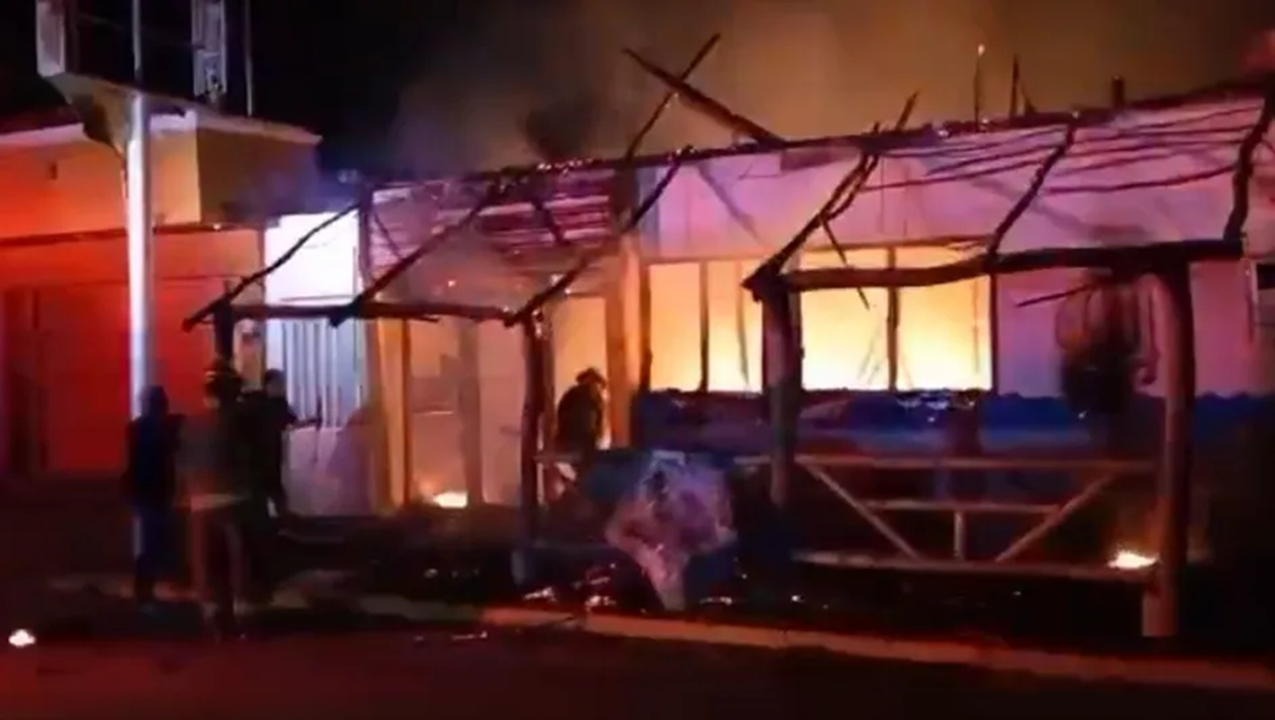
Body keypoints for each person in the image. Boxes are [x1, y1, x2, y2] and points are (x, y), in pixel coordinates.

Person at [179, 365, 256, 638]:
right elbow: (251, 458)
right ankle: (242, 613)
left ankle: (212, 614)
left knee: (205, 562)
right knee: (238, 558)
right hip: (234, 498)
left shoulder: (191, 424)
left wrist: (185, 496)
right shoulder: (239, 421)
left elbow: (183, 462)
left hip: (199, 501)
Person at [122, 386, 183, 610]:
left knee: (152, 539)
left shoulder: (137, 428)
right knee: (154, 540)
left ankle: (146, 587)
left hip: (143, 490)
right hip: (156, 490)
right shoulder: (162, 428)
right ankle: (146, 589)